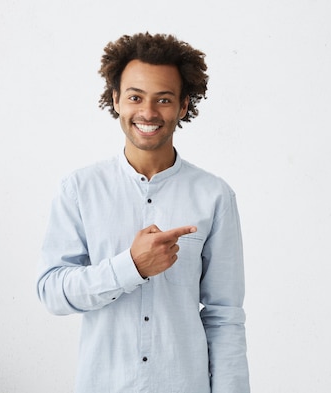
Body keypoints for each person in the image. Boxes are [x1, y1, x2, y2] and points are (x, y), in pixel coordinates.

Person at [36, 32, 250, 393]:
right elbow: (52, 292)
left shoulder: (214, 196)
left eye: (163, 99)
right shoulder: (79, 189)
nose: (148, 113)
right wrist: (129, 267)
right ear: (116, 99)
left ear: (183, 106)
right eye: (136, 97)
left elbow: (224, 316)